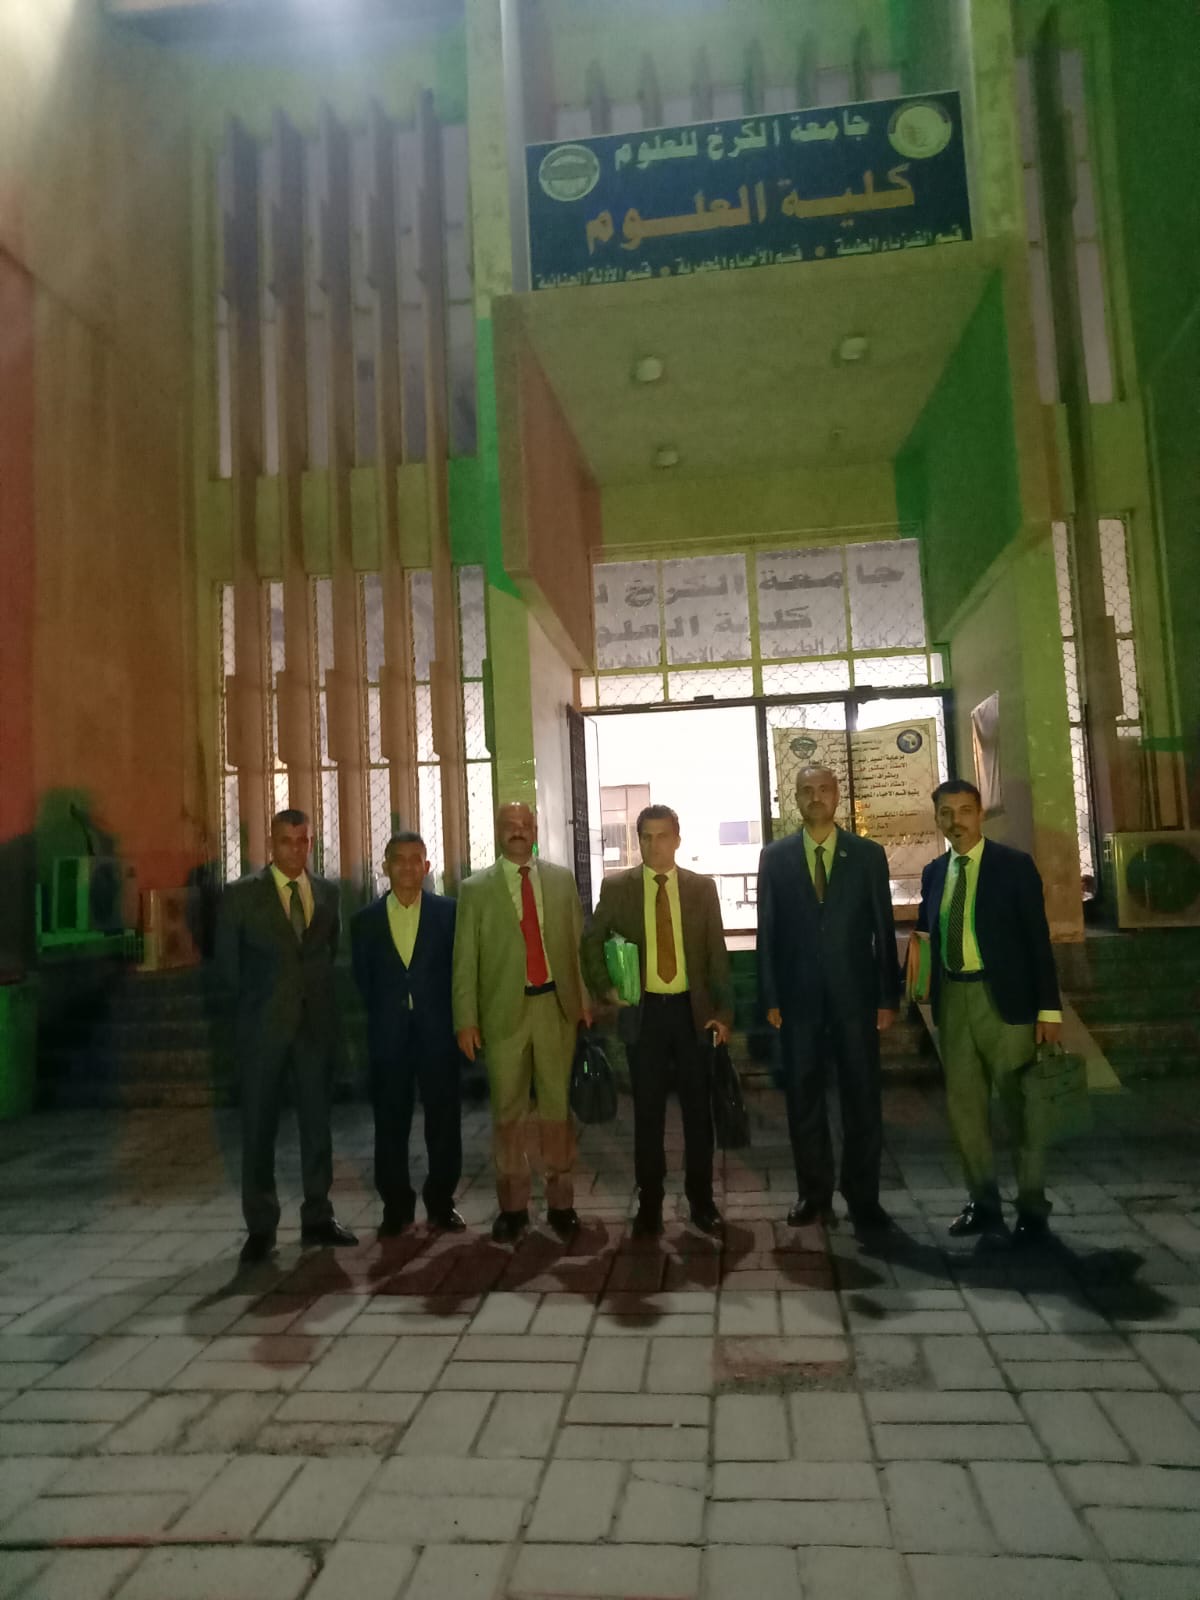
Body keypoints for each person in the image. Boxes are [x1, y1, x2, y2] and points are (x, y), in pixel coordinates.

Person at [918, 779, 1062, 1243]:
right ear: (937, 819)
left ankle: (1032, 1208)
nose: (955, 820)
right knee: (965, 1110)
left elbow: (1037, 939)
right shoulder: (934, 872)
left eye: (964, 810)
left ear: (980, 814)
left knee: (1022, 1109)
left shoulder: (1012, 867)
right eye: (946, 812)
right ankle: (982, 1202)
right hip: (954, 1001)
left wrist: (1049, 1010)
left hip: (1004, 1002)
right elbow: (927, 936)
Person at [757, 765, 900, 1233]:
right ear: (794, 799)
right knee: (803, 1098)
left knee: (862, 1099)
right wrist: (771, 996)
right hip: (797, 1001)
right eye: (806, 791)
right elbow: (767, 932)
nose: (815, 797)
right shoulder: (775, 857)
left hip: (855, 999)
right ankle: (813, 1193)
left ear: (837, 796)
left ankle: (863, 1197)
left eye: (823, 789)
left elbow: (883, 928)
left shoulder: (867, 855)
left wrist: (887, 996)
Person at [582, 805, 732, 1238]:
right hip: (644, 1015)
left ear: (677, 840)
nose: (654, 845)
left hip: (692, 1014)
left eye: (663, 836)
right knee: (647, 1114)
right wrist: (605, 989)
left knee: (698, 1112)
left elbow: (716, 954)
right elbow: (591, 942)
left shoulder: (701, 889)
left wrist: (723, 1014)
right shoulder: (618, 888)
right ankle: (650, 1203)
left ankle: (701, 1201)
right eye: (646, 837)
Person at [216, 808, 358, 1263]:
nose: (295, 849)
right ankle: (261, 1227)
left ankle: (318, 1216)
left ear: (310, 843)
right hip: (263, 1031)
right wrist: (256, 1015)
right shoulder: (241, 896)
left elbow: (327, 956)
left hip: (314, 1028)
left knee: (317, 1127)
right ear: (270, 844)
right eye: (286, 841)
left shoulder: (328, 894)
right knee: (259, 1130)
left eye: (303, 841)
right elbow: (228, 969)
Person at [452, 802, 590, 1244]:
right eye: (509, 826)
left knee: (556, 1109)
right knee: (508, 1112)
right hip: (502, 1014)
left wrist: (584, 1001)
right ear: (497, 832)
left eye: (525, 825)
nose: (517, 831)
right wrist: (466, 1019)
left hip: (555, 1009)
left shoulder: (560, 881)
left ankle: (561, 1204)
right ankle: (512, 1208)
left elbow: (577, 945)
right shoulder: (475, 890)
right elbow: (464, 960)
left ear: (535, 830)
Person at [350, 832, 465, 1238]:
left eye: (416, 859)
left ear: (427, 867)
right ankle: (396, 1207)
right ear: (385, 867)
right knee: (390, 1124)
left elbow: (458, 972)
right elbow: (362, 979)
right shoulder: (365, 922)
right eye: (398, 859)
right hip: (390, 1038)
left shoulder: (448, 914)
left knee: (444, 1122)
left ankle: (441, 1203)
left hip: (438, 1035)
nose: (407, 867)